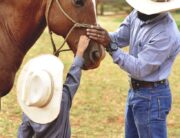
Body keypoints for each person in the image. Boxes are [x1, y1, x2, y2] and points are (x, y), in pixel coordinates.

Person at [86, 0, 180, 137]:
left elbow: (139, 68)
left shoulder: (166, 33)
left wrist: (110, 46)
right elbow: (118, 38)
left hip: (152, 97)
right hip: (136, 92)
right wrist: (100, 34)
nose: (139, 10)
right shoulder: (137, 14)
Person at [17, 35, 90, 138]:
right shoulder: (63, 101)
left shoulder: (28, 111)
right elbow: (73, 79)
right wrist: (80, 52)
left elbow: (22, 134)